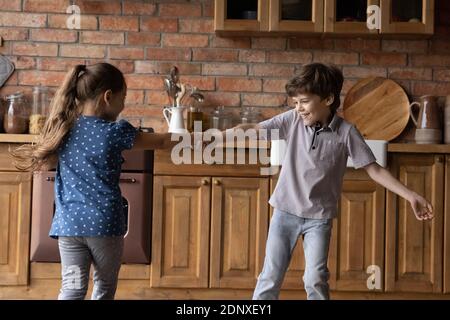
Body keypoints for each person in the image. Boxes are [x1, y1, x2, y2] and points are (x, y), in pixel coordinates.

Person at [228, 62, 434, 300]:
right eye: (295, 103)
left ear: (327, 99)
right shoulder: (291, 120)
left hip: (319, 218)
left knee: (315, 279)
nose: (298, 108)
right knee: (270, 276)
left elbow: (374, 170)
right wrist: (213, 138)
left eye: (304, 101)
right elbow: (252, 129)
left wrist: (411, 195)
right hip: (285, 211)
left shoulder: (346, 133)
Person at [11, 63, 171, 300]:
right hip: (104, 228)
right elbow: (160, 142)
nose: (123, 104)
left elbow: (47, 163)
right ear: (108, 97)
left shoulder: (62, 129)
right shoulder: (115, 131)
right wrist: (198, 137)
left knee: (72, 289)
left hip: (69, 227)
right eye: (123, 97)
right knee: (104, 288)